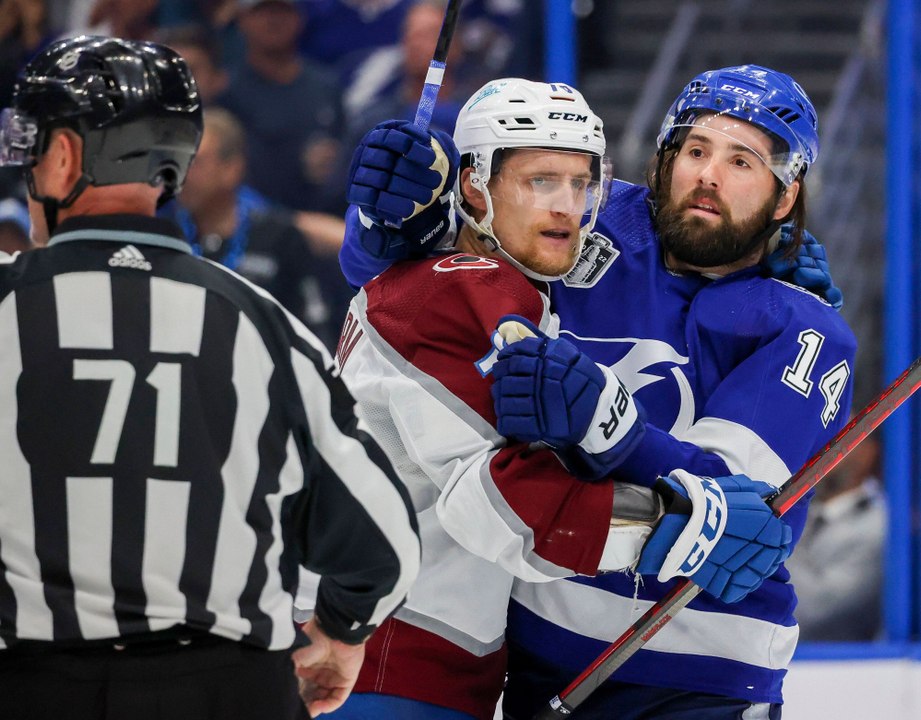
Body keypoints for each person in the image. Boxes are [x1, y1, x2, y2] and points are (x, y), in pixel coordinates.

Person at [336, 65, 856, 719]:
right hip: (534, 659)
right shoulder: (586, 212)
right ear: (663, 159)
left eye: (742, 162)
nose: (709, 177)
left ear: (785, 197)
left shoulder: (802, 326)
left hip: (697, 674)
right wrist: (383, 222)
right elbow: (425, 272)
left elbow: (732, 508)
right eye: (695, 151)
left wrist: (607, 425)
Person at [0, 35, 420, 720]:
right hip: (229, 692)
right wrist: (341, 636)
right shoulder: (261, 322)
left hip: (33, 686)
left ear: (66, 156)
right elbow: (386, 547)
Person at [172, 107, 352, 350]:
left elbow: (312, 333)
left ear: (232, 168)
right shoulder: (167, 237)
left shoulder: (279, 238)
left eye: (197, 162)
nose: (183, 173)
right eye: (180, 159)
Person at [221, 0, 346, 214]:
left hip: (323, 219)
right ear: (242, 20)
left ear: (300, 18)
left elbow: (344, 155)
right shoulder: (227, 93)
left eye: (283, 10)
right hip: (254, 224)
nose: (273, 19)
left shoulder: (326, 87)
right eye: (262, 11)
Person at [785, 420, 885, 641]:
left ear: (868, 453)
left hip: (841, 666)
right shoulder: (802, 511)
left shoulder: (881, 525)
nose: (823, 449)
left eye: (838, 438)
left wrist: (778, 533)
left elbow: (813, 612)